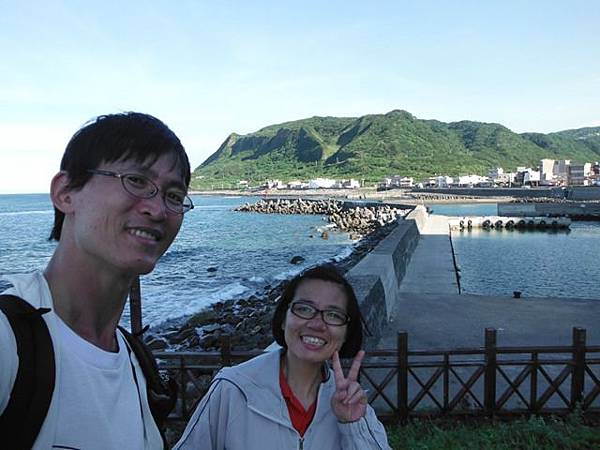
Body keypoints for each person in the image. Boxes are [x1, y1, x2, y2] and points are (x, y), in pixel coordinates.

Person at [0, 112, 193, 449]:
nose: (159, 209)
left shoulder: (138, 365)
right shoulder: (9, 341)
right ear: (65, 193)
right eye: (135, 180)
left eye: (174, 196)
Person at [175, 265, 391, 450]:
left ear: (346, 334)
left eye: (333, 315)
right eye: (304, 309)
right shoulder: (233, 388)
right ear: (282, 319)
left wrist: (353, 425)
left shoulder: (350, 403)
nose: (317, 324)